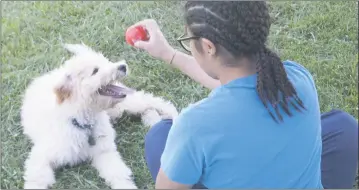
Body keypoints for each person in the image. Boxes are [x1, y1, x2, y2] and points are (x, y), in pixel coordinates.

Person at [129, 1, 358, 189]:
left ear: (208, 47)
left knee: (160, 136)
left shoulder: (196, 126)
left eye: (189, 42)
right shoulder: (297, 78)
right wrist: (168, 54)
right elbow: (237, 89)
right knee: (342, 126)